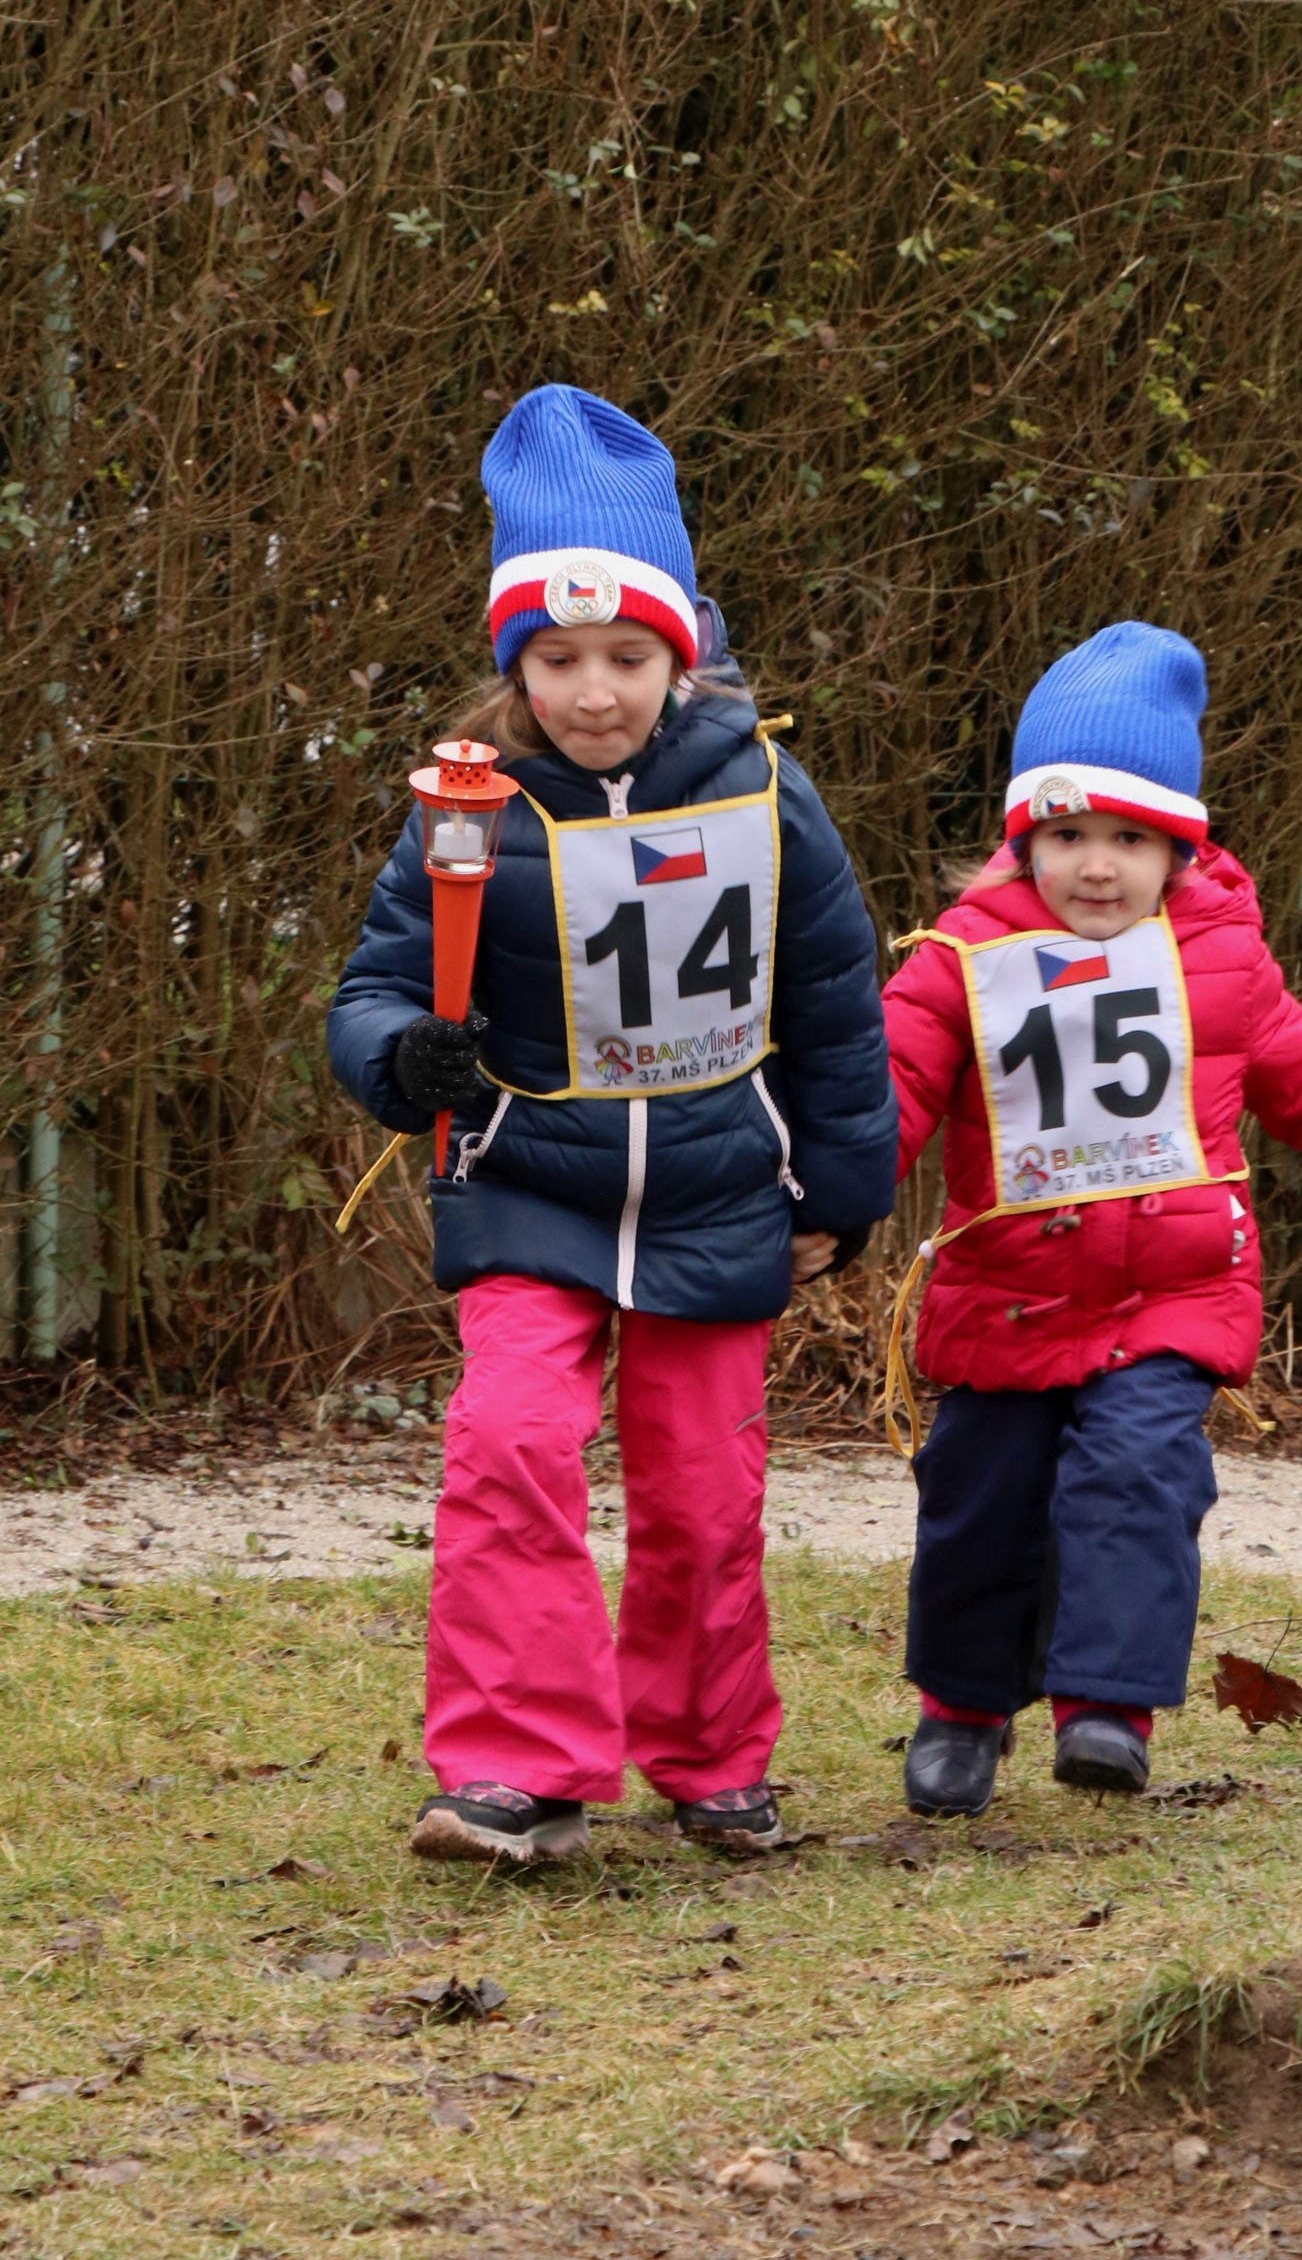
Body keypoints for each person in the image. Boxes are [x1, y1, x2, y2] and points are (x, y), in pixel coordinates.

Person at [328, 384, 897, 1863]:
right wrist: (404, 1059)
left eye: (628, 658)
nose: (595, 693)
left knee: (705, 1491)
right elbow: (376, 988)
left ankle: (709, 1756)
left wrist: (845, 1187)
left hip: (717, 1190)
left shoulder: (770, 794)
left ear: (680, 651)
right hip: (529, 1182)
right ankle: (517, 1769)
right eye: (560, 660)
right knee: (509, 1443)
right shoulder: (465, 812)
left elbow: (835, 1003)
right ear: (517, 664)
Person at [881, 621, 1302, 1816]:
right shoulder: (959, 958)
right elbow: (890, 1082)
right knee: (978, 1501)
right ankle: (960, 1708)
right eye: (1066, 835)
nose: (1096, 866)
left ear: (1177, 848)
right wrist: (829, 1200)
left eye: (1129, 839)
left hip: (1167, 1295)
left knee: (1139, 1478)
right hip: (1004, 1293)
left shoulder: (1219, 961)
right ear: (1022, 839)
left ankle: (1106, 1706)